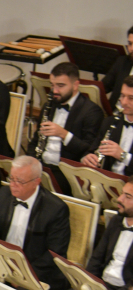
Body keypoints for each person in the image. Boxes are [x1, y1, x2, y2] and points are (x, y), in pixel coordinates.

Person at [0, 156, 70, 290]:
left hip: (35, 272)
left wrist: (23, 275)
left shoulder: (55, 209)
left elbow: (55, 254)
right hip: (3, 263)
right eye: (12, 178)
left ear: (37, 182)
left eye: (20, 181)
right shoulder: (4, 194)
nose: (13, 184)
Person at [46, 183, 133, 290]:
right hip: (100, 286)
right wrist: (88, 285)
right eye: (122, 193)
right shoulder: (117, 220)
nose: (120, 199)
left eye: (128, 197)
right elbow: (97, 258)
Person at [30, 62, 104, 194]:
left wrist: (64, 134)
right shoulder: (49, 105)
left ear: (76, 85)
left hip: (65, 172)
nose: (54, 91)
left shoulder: (91, 111)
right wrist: (30, 162)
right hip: (42, 165)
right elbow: (36, 140)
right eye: (52, 85)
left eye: (60, 86)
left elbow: (89, 149)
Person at [82, 76, 133, 175]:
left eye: (131, 98)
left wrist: (123, 156)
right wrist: (88, 158)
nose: (124, 102)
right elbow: (92, 150)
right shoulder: (110, 122)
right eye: (122, 96)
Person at [102, 26, 133, 111]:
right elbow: (103, 87)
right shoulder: (122, 62)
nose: (131, 49)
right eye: (130, 44)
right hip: (113, 114)